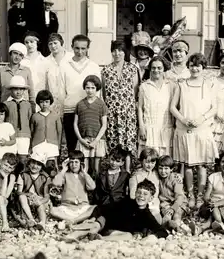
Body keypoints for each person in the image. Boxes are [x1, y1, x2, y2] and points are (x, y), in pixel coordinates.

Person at [170, 53, 218, 209]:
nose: (195, 68)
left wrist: (201, 119)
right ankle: (190, 195)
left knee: (202, 165)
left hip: (202, 129)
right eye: (192, 65)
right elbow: (172, 107)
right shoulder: (181, 84)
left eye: (198, 65)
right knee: (189, 164)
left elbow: (214, 108)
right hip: (185, 129)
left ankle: (200, 196)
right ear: (188, 67)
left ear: (203, 68)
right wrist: (184, 120)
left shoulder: (209, 85)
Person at [66, 179, 168, 241]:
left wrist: (151, 236)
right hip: (106, 223)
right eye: (139, 192)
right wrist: (94, 218)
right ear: (135, 193)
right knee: (96, 225)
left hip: (116, 232)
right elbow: (106, 208)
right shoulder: (127, 202)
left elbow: (162, 231)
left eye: (145, 194)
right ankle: (73, 235)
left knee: (128, 236)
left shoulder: (147, 215)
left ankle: (101, 240)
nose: (141, 196)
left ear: (151, 198)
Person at [59, 35, 101, 153]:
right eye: (77, 48)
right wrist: (61, 111)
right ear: (72, 47)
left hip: (89, 110)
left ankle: (89, 170)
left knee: (89, 145)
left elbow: (98, 91)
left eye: (83, 48)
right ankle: (73, 170)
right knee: (72, 145)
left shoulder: (93, 66)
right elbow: (61, 91)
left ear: (88, 48)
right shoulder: (64, 65)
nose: (80, 51)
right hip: (70, 109)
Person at [102, 41, 139, 173]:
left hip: (127, 113)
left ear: (125, 52)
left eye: (120, 50)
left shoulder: (132, 69)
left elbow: (134, 91)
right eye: (114, 50)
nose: (117, 53)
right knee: (113, 141)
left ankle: (127, 171)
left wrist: (126, 106)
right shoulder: (106, 70)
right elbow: (105, 93)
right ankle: (114, 172)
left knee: (127, 142)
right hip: (112, 112)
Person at [138, 57, 175, 156]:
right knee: (149, 160)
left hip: (166, 129)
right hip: (149, 129)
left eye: (159, 68)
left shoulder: (171, 86)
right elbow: (140, 108)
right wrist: (142, 127)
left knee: (164, 162)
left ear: (164, 69)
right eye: (153, 68)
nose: (156, 70)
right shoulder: (144, 86)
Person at [49, 150, 96, 227]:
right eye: (71, 162)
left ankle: (73, 221)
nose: (73, 165)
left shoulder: (84, 175)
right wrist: (63, 170)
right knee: (53, 210)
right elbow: (56, 183)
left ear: (81, 164)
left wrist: (85, 173)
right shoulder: (65, 174)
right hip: (67, 207)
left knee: (94, 208)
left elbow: (92, 187)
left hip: (82, 208)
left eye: (76, 162)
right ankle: (76, 220)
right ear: (68, 163)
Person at [73, 75, 107, 177]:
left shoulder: (101, 105)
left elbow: (104, 125)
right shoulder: (80, 104)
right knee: (84, 168)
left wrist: (96, 141)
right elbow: (75, 123)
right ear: (84, 88)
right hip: (84, 139)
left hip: (97, 140)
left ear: (97, 89)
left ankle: (96, 190)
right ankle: (84, 191)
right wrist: (81, 140)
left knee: (97, 168)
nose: (90, 90)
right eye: (88, 87)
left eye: (93, 88)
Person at [16, 152, 52, 230]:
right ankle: (31, 219)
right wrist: (27, 194)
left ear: (42, 166)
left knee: (40, 205)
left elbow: (46, 195)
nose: (35, 166)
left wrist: (40, 201)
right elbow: (18, 192)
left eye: (38, 164)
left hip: (39, 199)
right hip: (27, 200)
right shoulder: (22, 175)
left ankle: (42, 222)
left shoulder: (45, 177)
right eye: (33, 163)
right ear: (29, 163)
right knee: (21, 197)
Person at [30, 90, 63, 174]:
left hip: (52, 145)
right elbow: (32, 132)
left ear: (50, 102)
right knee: (39, 166)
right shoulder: (35, 116)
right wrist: (31, 146)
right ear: (38, 103)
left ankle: (52, 185)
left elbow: (59, 132)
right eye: (41, 102)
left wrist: (58, 145)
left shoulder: (55, 116)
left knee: (51, 167)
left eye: (46, 102)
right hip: (38, 144)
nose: (44, 104)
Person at [0, 42, 35, 109]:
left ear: (22, 57)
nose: (17, 57)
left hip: (23, 108)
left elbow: (31, 91)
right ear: (10, 54)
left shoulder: (26, 71)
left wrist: (32, 106)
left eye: (20, 55)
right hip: (5, 107)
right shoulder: (1, 71)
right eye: (15, 53)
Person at [4, 75, 33, 167]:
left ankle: (21, 178)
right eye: (15, 89)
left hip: (24, 135)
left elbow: (30, 120)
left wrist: (30, 136)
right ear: (11, 90)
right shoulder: (6, 104)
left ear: (24, 90)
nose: (18, 92)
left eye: (21, 89)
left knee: (22, 158)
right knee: (10, 159)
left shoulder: (28, 104)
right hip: (10, 136)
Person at [157, 155, 190, 233]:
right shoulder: (157, 177)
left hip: (179, 203)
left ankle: (179, 227)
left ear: (171, 169)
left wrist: (173, 208)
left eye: (166, 168)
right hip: (165, 204)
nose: (163, 171)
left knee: (176, 215)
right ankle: (174, 227)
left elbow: (180, 197)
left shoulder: (175, 179)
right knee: (167, 217)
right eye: (160, 168)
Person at [129, 148, 161, 222]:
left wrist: (178, 176)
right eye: (147, 162)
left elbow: (167, 174)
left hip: (153, 203)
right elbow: (132, 194)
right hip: (141, 203)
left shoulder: (156, 174)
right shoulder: (136, 176)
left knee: (157, 218)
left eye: (152, 163)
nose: (150, 165)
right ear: (141, 161)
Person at [45, 33, 73, 118]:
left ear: (61, 43)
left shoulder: (71, 58)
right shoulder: (46, 61)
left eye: (55, 43)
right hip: (52, 103)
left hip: (69, 102)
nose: (53, 46)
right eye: (50, 44)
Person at [21, 31, 50, 97]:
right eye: (26, 42)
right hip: (25, 97)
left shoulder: (45, 61)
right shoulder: (22, 62)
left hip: (41, 98)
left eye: (32, 42)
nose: (29, 45)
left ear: (37, 43)